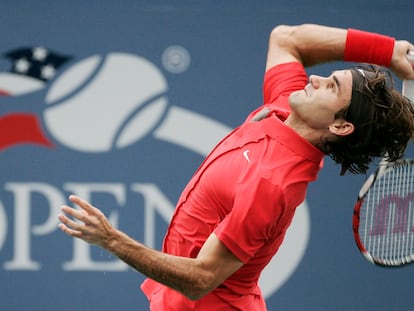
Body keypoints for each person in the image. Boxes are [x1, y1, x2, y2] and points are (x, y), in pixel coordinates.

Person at [58, 24, 414, 310]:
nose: (315, 78)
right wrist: (387, 50)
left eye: (331, 86)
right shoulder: (283, 109)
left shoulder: (271, 184)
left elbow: (201, 279)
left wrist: (111, 240)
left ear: (340, 126)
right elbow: (287, 39)